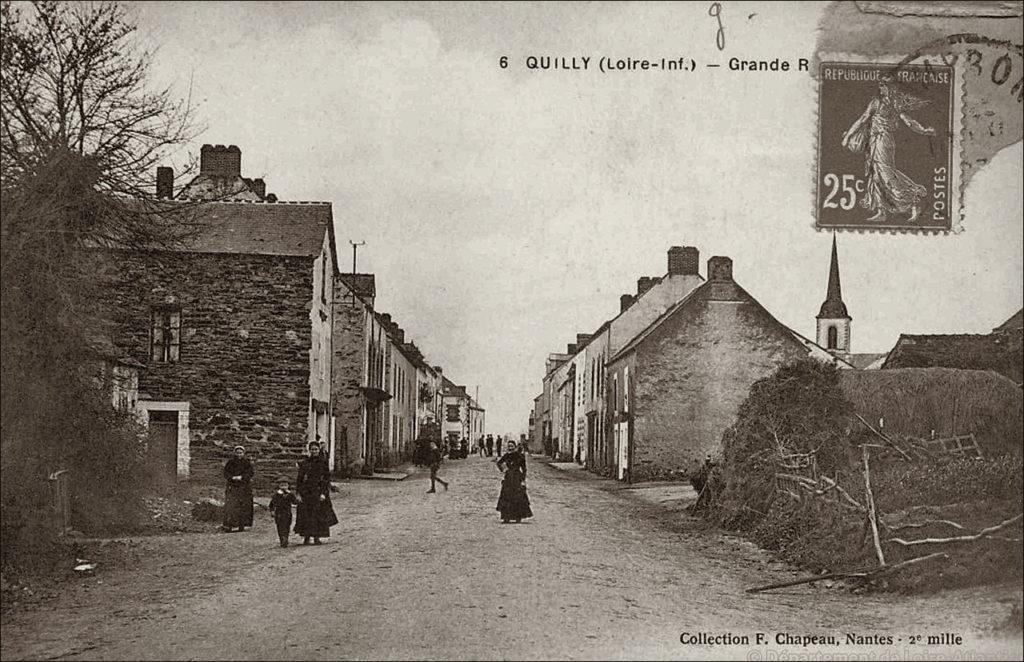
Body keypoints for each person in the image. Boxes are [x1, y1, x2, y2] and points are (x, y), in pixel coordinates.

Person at [841, 78, 936, 224]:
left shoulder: (886, 104)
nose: (880, 89)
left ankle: (913, 201)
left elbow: (863, 120)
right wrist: (923, 130)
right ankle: (881, 211)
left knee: (886, 175)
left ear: (890, 88)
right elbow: (863, 120)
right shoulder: (884, 103)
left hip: (882, 142)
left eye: (883, 86)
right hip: (876, 142)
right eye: (880, 86)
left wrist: (924, 131)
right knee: (875, 174)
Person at [295, 440, 337, 545]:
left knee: (318, 514)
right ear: (309, 450)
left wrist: (323, 493)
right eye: (312, 449)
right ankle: (306, 536)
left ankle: (317, 537)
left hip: (318, 491)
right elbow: (299, 479)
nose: (314, 451)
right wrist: (298, 493)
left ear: (319, 450)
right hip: (307, 492)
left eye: (316, 449)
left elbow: (326, 479)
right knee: (306, 514)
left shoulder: (323, 463)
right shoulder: (305, 463)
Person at [496, 441, 533, 524]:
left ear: (515, 447)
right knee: (506, 496)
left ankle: (518, 517)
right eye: (509, 446)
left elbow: (524, 469)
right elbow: (499, 463)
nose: (510, 448)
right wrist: (504, 470)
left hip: (517, 478)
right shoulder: (506, 456)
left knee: (518, 497)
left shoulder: (519, 456)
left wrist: (523, 480)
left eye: (512, 446)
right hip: (508, 478)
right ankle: (506, 517)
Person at [222, 445, 254, 532]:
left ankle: (244, 525)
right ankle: (231, 525)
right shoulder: (230, 463)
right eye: (237, 453)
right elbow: (226, 473)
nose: (239, 454)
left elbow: (250, 473)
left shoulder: (247, 463)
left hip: (244, 487)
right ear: (234, 453)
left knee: (244, 505)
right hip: (232, 487)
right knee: (232, 505)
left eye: (241, 453)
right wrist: (232, 477)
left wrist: (242, 477)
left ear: (243, 453)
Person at [269, 476, 298, 548]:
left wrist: (295, 502)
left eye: (285, 485)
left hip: (287, 513)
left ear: (288, 486)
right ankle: (282, 539)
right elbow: (271, 504)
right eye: (282, 485)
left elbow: (295, 502)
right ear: (279, 486)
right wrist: (272, 511)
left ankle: (286, 538)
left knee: (287, 526)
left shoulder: (290, 494)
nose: (284, 487)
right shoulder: (276, 495)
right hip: (279, 513)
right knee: (280, 527)